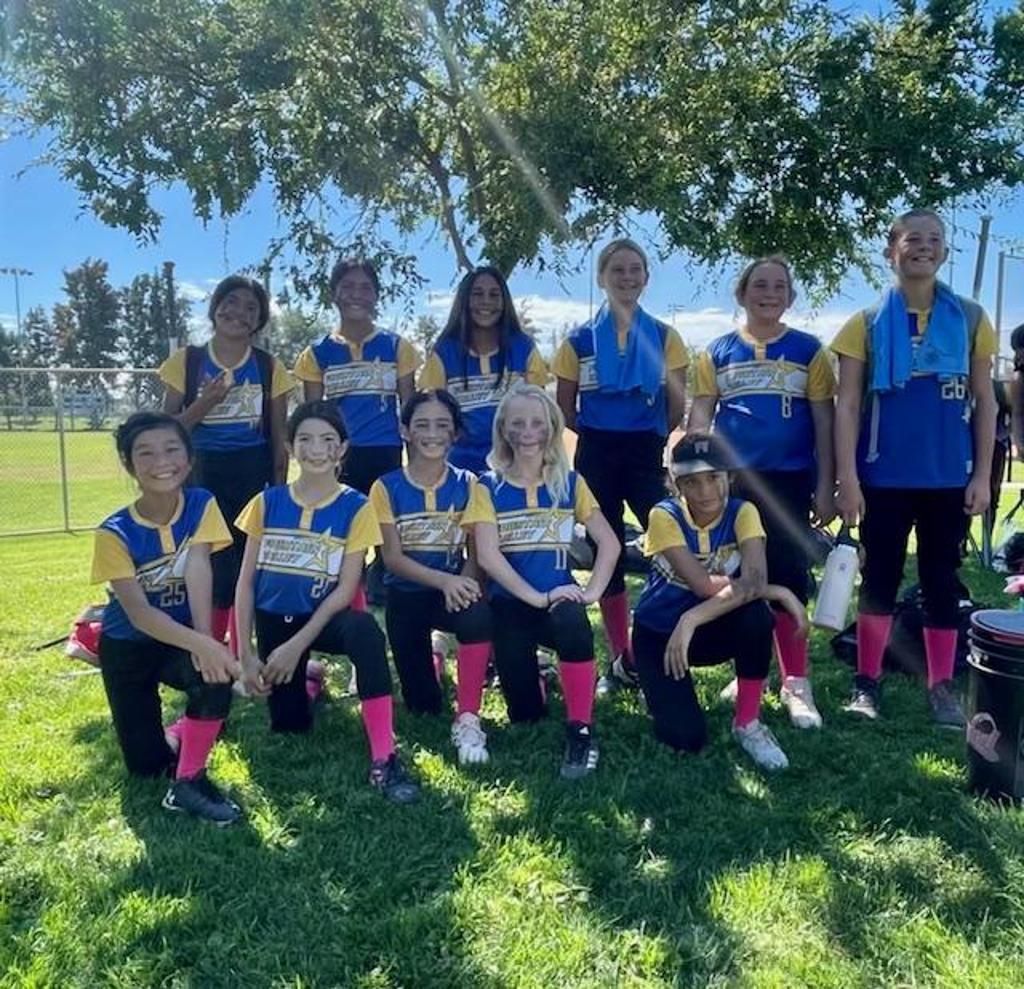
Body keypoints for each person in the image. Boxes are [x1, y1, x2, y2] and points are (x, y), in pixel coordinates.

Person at [833, 207, 997, 726]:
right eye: (912, 239)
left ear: (944, 252)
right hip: (882, 478)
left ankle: (941, 686)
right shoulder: (864, 323)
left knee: (940, 581)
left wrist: (981, 475)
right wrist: (847, 478)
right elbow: (847, 406)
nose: (923, 246)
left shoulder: (971, 318)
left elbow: (985, 402)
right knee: (879, 578)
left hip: (948, 477)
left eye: (933, 239)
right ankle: (866, 681)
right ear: (891, 251)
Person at [233, 401, 420, 804]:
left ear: (342, 448)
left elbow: (345, 590)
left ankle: (384, 755)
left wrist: (296, 646)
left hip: (324, 618)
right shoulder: (266, 503)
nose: (316, 449)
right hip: (273, 618)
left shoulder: (357, 507)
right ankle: (310, 679)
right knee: (289, 724)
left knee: (366, 632)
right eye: (305, 439)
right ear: (290, 447)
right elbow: (245, 584)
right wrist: (245, 655)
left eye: (327, 440)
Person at [688, 255, 835, 729]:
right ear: (742, 293)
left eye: (779, 287)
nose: (769, 294)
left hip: (790, 479)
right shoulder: (717, 352)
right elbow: (700, 419)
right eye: (760, 285)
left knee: (788, 573)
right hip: (733, 482)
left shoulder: (809, 350)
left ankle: (796, 680)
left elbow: (825, 422)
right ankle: (751, 668)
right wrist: (693, 472)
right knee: (741, 573)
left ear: (790, 297)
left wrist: (826, 483)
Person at [91, 412, 242, 825]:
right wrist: (204, 644)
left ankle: (189, 782)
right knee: (147, 767)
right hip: (128, 647)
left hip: (179, 637)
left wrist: (205, 642)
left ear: (189, 460)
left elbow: (198, 567)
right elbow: (140, 614)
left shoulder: (201, 503)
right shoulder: (113, 532)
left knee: (214, 677)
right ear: (129, 465)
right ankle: (178, 734)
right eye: (146, 453)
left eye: (172, 449)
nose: (162, 461)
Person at [553, 238, 687, 690]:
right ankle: (620, 657)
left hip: (646, 452)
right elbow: (564, 409)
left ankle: (662, 636)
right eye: (617, 271)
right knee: (604, 552)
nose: (627, 278)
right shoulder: (577, 341)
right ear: (602, 278)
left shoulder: (665, 337)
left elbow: (676, 404)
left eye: (635, 270)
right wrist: (601, 429)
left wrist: (650, 432)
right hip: (596, 454)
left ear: (646, 278)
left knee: (669, 538)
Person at [469, 383, 620, 779]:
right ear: (503, 429)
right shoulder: (487, 486)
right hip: (511, 604)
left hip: (558, 601)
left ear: (552, 428)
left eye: (538, 422)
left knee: (572, 621)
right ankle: (542, 675)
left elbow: (610, 543)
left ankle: (581, 728)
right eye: (517, 423)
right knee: (525, 716)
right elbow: (488, 556)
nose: (528, 431)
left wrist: (591, 592)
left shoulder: (570, 482)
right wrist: (537, 596)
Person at [631, 432, 807, 770]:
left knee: (756, 618)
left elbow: (754, 580)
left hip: (702, 627)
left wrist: (692, 619)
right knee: (686, 739)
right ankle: (640, 673)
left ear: (730, 477)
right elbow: (702, 584)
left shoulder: (743, 512)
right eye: (692, 482)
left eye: (713, 477)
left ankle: (748, 722)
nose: (705, 490)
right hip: (661, 634)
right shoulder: (664, 515)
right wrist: (777, 591)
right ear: (677, 484)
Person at [160, 275, 292, 646]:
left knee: (247, 564)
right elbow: (165, 431)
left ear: (259, 320)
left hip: (251, 472)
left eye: (251, 308)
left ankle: (239, 650)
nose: (239, 312)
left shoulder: (268, 366)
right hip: (201, 473)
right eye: (231, 301)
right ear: (215, 307)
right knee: (210, 563)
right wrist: (205, 403)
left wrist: (278, 493)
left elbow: (278, 438)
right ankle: (210, 647)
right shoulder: (188, 361)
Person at [369, 390, 493, 764]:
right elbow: (392, 559)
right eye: (422, 425)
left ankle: (468, 716)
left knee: (478, 617)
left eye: (443, 425)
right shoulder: (385, 486)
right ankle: (436, 655)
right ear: (405, 431)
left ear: (456, 433)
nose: (433, 434)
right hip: (406, 596)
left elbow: (476, 552)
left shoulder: (470, 483)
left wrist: (465, 584)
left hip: (451, 592)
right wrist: (445, 582)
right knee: (423, 706)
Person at [294, 259, 420, 604]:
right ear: (334, 294)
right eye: (347, 286)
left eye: (365, 287)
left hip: (385, 449)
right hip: (340, 454)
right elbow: (314, 415)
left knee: (384, 521)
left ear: (377, 295)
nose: (356, 295)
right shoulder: (316, 353)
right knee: (344, 520)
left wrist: (415, 460)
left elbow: (410, 408)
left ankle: (382, 581)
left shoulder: (397, 347)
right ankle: (345, 586)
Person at [420, 265, 548, 474]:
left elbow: (541, 412)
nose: (486, 301)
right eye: (477, 294)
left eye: (494, 295)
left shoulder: (524, 348)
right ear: (465, 300)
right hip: (459, 467)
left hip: (516, 464)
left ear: (504, 301)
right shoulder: (444, 352)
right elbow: (431, 411)